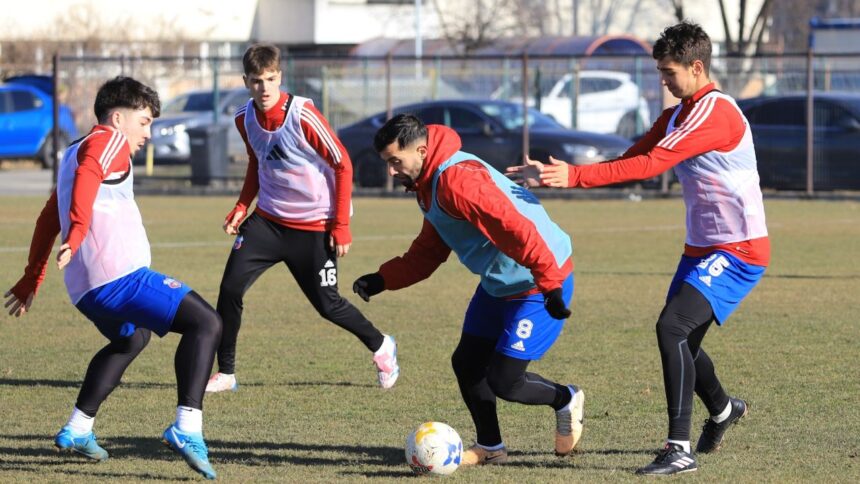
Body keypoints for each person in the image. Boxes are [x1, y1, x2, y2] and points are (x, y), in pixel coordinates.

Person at [507, 21, 768, 475]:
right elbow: (630, 158)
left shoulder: (715, 112)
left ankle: (678, 449)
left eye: (669, 72)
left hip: (738, 249)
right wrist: (558, 176)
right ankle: (724, 409)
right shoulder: (677, 115)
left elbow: (651, 165)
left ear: (697, 67)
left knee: (672, 329)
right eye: (660, 72)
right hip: (701, 248)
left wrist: (575, 176)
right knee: (684, 341)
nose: (663, 81)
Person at [4, 76, 222, 480]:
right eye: (144, 122)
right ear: (117, 118)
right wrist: (78, 233)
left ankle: (78, 427)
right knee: (207, 323)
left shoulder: (73, 151)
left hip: (85, 290)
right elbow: (89, 176)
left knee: (131, 339)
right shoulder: (109, 141)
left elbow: (48, 216)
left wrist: (32, 277)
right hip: (119, 277)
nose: (148, 133)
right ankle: (187, 428)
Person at [352, 114, 585, 465]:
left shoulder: (458, 180)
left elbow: (515, 227)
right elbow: (430, 249)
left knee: (505, 381)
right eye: (387, 162)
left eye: (395, 161)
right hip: (500, 284)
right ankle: (491, 447)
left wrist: (550, 284)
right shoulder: (428, 183)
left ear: (421, 151)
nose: (391, 170)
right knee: (467, 363)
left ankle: (565, 398)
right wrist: (383, 279)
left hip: (538, 282)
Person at [205, 43, 398, 393]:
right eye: (256, 80)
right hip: (267, 222)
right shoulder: (243, 118)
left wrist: (341, 225)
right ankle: (227, 372)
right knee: (230, 289)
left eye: (270, 79)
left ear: (280, 76)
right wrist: (242, 206)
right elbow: (257, 161)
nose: (264, 88)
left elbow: (342, 164)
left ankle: (381, 344)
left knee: (328, 305)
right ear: (246, 81)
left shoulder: (302, 114)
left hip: (314, 226)